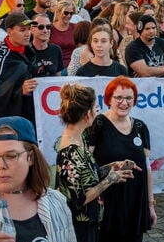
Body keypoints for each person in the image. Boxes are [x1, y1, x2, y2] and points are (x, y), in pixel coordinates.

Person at [55, 83, 136, 241]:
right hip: (79, 226)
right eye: (95, 108)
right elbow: (80, 198)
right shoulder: (70, 150)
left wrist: (112, 166)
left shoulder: (80, 138)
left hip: (90, 220)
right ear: (87, 115)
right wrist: (111, 179)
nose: (97, 112)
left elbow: (88, 174)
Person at [86, 77, 156, 241]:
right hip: (108, 201)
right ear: (109, 99)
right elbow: (87, 164)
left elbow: (147, 169)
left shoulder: (140, 127)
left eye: (129, 98)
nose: (124, 103)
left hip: (135, 203)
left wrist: (150, 205)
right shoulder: (98, 124)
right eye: (118, 97)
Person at [0, 13, 38, 135]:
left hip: (27, 112)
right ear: (9, 31)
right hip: (5, 123)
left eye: (29, 30)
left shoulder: (27, 50)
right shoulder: (0, 57)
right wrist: (20, 91)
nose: (27, 34)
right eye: (22, 30)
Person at [50, 0, 77, 70]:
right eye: (66, 13)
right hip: (55, 66)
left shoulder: (76, 27)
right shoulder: (49, 28)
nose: (69, 16)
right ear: (58, 12)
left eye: (71, 13)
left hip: (72, 66)